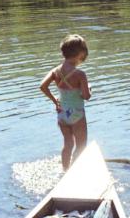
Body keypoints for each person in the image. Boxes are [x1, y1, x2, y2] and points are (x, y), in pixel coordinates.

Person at [39, 34, 92, 171]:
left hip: (62, 114)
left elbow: (42, 86)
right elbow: (86, 96)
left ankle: (65, 171)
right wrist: (89, 88)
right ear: (80, 53)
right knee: (81, 146)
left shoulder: (55, 71)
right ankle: (75, 172)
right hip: (77, 115)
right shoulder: (80, 74)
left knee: (68, 144)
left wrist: (54, 100)